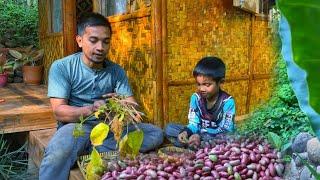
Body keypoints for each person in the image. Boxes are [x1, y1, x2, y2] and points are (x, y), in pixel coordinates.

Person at [39, 12, 163, 180]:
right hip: (76, 127)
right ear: (79, 40)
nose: (100, 47)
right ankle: (97, 148)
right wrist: (91, 109)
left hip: (109, 129)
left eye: (106, 41)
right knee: (56, 154)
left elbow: (133, 107)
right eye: (93, 40)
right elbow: (59, 111)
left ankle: (94, 148)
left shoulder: (116, 71)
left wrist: (120, 103)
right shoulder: (62, 67)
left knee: (155, 133)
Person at [164, 56, 236, 148]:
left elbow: (226, 130)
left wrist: (201, 136)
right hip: (198, 133)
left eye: (207, 85)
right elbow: (194, 123)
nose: (202, 89)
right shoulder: (196, 98)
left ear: (220, 82)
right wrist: (186, 132)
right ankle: (193, 144)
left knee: (230, 137)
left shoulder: (227, 102)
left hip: (216, 137)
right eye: (199, 84)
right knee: (169, 128)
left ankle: (194, 145)